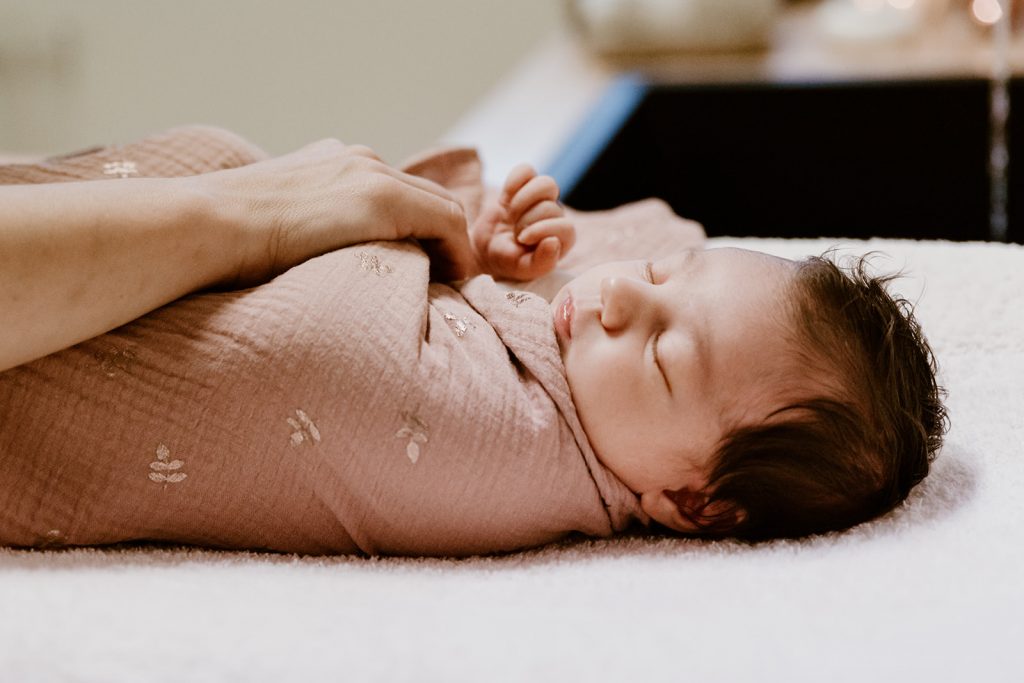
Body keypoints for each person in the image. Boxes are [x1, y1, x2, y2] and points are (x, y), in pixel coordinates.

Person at [0, 127, 946, 554]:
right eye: (660, 278)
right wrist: (484, 261)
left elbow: (329, 351)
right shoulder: (579, 386)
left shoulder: (504, 451)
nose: (618, 293)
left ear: (695, 503)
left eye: (663, 355)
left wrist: (430, 239)